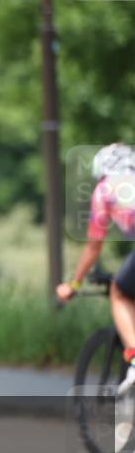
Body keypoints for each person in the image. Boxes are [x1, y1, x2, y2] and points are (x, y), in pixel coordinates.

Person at [57, 143, 135, 394]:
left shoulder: (105, 190)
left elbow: (93, 248)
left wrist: (73, 284)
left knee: (119, 292)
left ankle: (134, 359)